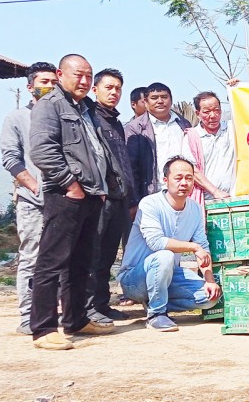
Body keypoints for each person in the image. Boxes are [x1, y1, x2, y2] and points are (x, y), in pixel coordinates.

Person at [28, 54, 125, 350]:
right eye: (78, 75)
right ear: (61, 74)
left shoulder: (85, 108)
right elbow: (42, 150)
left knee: (81, 261)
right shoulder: (50, 105)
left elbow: (96, 150)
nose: (83, 81)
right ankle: (43, 329)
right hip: (66, 195)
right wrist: (70, 184)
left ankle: (76, 320)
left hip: (92, 195)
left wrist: (103, 186)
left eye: (88, 75)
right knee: (51, 262)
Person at [117, 157, 221, 331]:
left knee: (209, 298)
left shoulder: (194, 209)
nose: (184, 183)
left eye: (189, 178)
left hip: (167, 275)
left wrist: (209, 280)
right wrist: (193, 247)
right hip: (134, 278)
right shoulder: (150, 203)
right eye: (178, 178)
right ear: (165, 180)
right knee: (165, 256)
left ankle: (155, 300)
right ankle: (156, 314)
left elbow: (203, 245)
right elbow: (156, 242)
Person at [0, 61, 58, 335]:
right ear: (30, 86)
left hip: (62, 200)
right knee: (32, 257)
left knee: (60, 258)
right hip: (32, 201)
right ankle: (27, 315)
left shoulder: (62, 115)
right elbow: (10, 159)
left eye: (53, 82)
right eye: (43, 82)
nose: (49, 87)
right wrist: (34, 186)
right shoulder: (17, 118)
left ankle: (54, 312)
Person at [86, 68, 137, 324]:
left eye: (118, 88)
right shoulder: (89, 117)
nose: (114, 92)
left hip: (119, 198)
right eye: (109, 87)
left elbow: (123, 164)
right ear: (95, 89)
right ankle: (88, 308)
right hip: (100, 198)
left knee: (108, 256)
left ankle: (102, 304)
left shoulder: (116, 122)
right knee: (93, 255)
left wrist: (130, 198)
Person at [125, 82, 191, 216]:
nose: (160, 101)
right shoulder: (134, 128)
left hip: (183, 193)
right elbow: (131, 168)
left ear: (171, 100)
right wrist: (134, 201)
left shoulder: (183, 124)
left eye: (164, 97)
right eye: (154, 98)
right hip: (152, 194)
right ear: (146, 102)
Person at [181, 91, 236, 204]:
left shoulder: (231, 129)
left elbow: (246, 111)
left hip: (235, 197)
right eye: (207, 112)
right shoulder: (191, 137)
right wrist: (215, 192)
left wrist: (236, 88)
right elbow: (192, 169)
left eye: (216, 110)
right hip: (206, 201)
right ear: (197, 113)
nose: (213, 115)